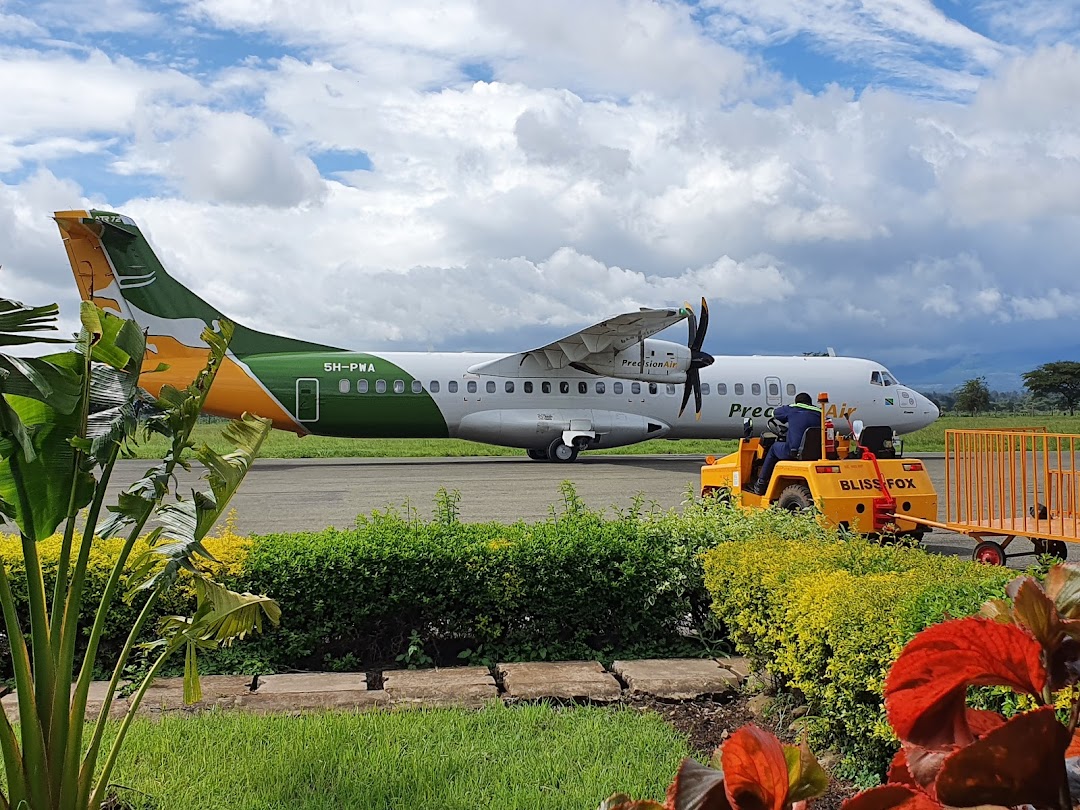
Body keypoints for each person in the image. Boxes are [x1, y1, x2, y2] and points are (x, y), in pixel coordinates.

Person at [751, 392, 821, 495]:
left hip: (794, 451)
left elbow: (774, 413)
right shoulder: (820, 413)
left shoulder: (792, 409)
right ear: (810, 403)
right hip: (817, 453)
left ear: (797, 402)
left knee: (774, 448)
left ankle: (761, 483)